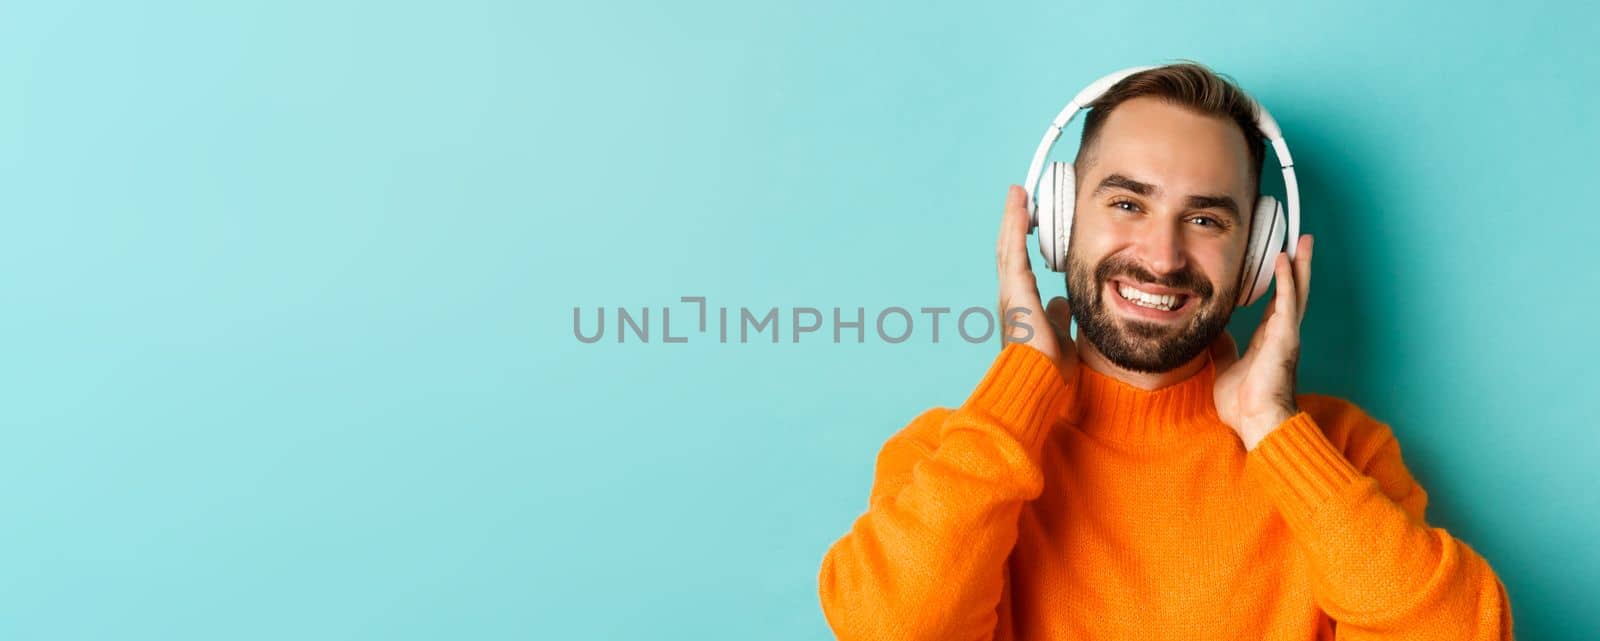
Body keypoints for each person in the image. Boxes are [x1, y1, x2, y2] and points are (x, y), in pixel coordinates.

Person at [816, 63, 1513, 640]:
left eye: (1206, 218)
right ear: (1056, 222)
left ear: (1256, 257)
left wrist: (1271, 428)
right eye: (1127, 204)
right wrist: (1021, 385)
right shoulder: (953, 455)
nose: (1162, 254)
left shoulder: (1339, 453)